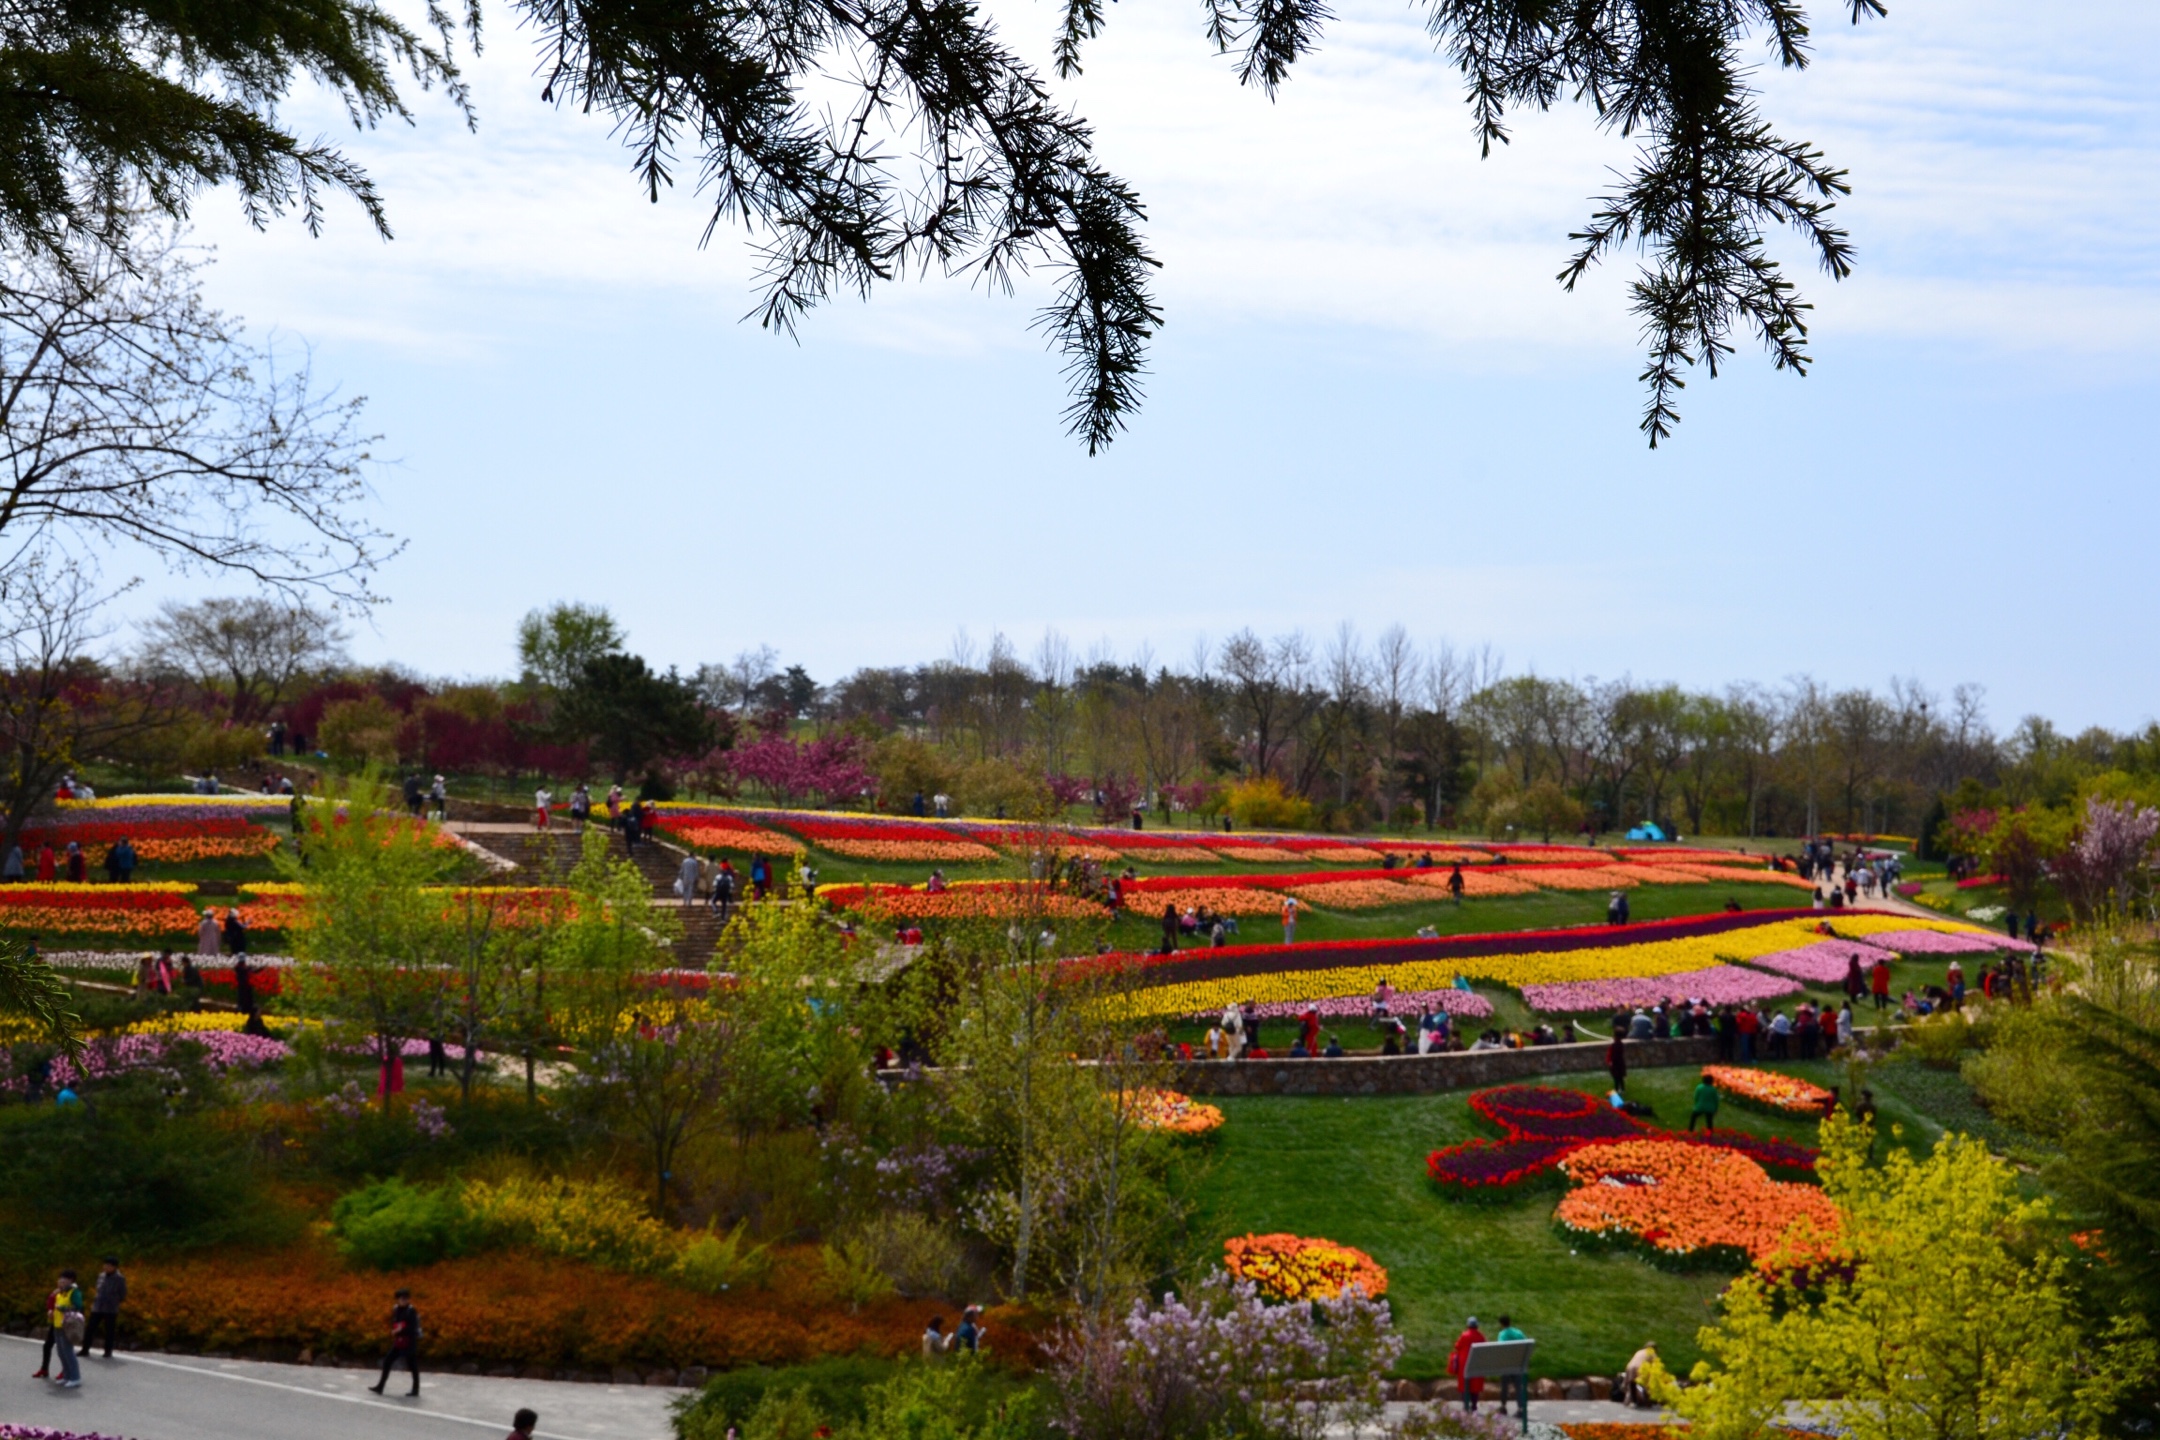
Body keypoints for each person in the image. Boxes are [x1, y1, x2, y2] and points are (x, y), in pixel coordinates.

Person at [37, 1268, 86, 1386]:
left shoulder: (74, 1292)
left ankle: (75, 1377)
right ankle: (66, 1375)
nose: (62, 1280)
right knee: (61, 1352)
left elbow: (78, 1306)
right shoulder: (61, 1291)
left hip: (67, 1325)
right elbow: (52, 1302)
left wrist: (63, 1309)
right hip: (57, 1324)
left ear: (71, 1280)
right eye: (61, 1278)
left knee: (68, 1352)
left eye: (65, 1278)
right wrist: (52, 1311)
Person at [370, 1287, 422, 1395]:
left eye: (406, 1298)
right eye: (402, 1298)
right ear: (398, 1299)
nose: (404, 1300)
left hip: (409, 1342)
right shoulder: (396, 1309)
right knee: (387, 1361)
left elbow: (413, 1327)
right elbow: (394, 1322)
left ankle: (415, 1389)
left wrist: (400, 1329)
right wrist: (394, 1330)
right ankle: (380, 1386)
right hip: (399, 1341)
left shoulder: (411, 1311)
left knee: (412, 1365)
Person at [86, 1257, 125, 1358]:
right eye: (105, 1265)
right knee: (90, 1328)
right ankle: (85, 1349)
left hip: (111, 1308)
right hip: (98, 1306)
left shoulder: (119, 1278)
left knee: (109, 1330)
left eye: (109, 1266)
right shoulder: (101, 1276)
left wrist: (115, 1301)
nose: (106, 1267)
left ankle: (108, 1351)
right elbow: (98, 1288)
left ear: (114, 1267)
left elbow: (123, 1293)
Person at [1493, 1314, 1530, 1418]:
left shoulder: (1502, 1334)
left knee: (1505, 1387)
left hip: (1507, 1364)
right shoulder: (1518, 1332)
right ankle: (1521, 1408)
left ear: (1501, 1324)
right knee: (1519, 1387)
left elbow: (1501, 1348)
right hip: (1518, 1364)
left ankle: (1503, 1407)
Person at [1448, 1316, 1488, 1410]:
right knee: (1475, 1384)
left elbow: (1457, 1346)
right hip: (1476, 1362)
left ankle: (1465, 1405)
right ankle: (1474, 1405)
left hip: (1464, 1362)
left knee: (1464, 1384)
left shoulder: (1464, 1335)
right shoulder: (1480, 1336)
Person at [1622, 1340, 1658, 1407]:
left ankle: (1633, 1401)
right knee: (1645, 1384)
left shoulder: (1639, 1351)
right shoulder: (1652, 1353)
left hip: (1630, 1367)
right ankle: (1647, 1401)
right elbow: (1656, 1365)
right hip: (1640, 1368)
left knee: (1632, 1384)